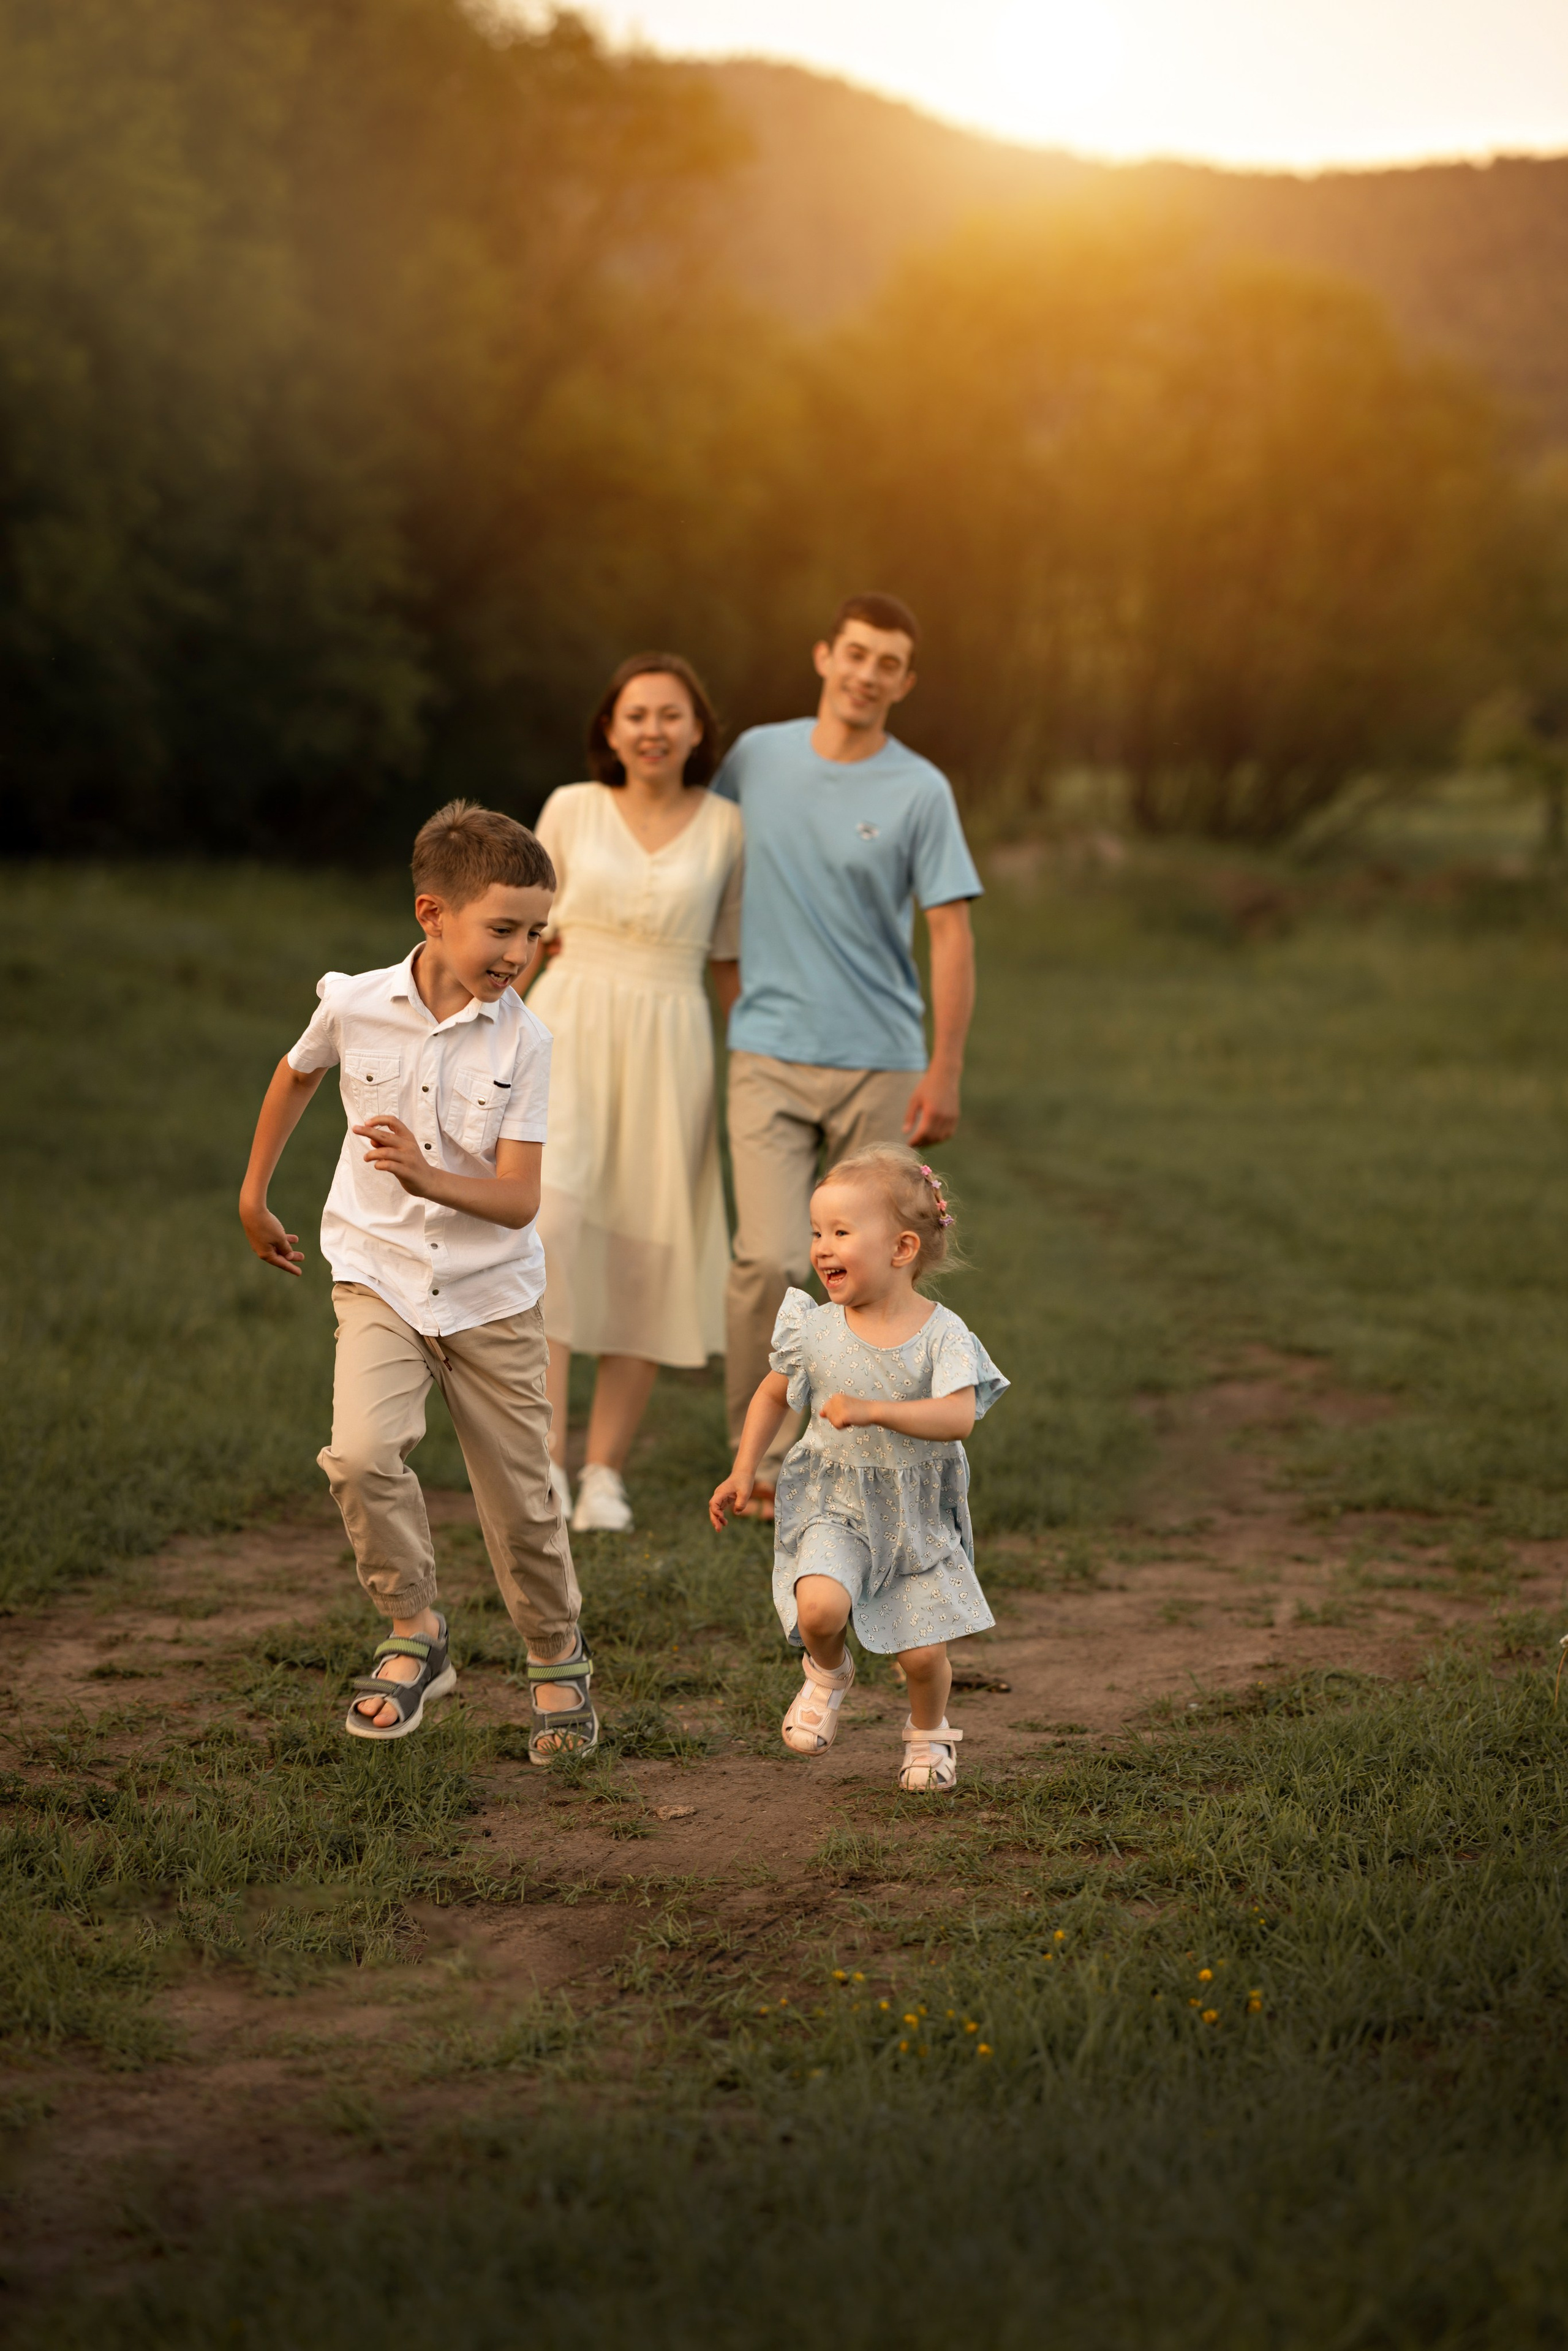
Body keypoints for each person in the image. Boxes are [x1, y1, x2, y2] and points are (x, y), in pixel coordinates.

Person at [237, 800, 597, 1760]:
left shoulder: (527, 1042)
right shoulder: (355, 1001)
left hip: (492, 1298)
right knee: (359, 1454)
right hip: (379, 1277)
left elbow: (518, 1200)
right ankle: (415, 1632)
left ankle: (557, 1660)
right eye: (503, 928)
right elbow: (298, 1070)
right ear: (432, 914)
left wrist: (429, 1174)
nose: (520, 951)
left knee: (521, 1500)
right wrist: (254, 1191)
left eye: (534, 932)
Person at [712, 592, 981, 1519]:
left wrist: (942, 1067)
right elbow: (705, 867)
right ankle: (751, 1458)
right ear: (824, 656)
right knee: (766, 1258)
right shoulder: (758, 756)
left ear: (905, 683)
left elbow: (948, 932)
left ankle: (845, 1453)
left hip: (880, 1055)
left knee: (871, 1268)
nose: (867, 674)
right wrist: (726, 994)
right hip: (769, 1049)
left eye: (889, 664)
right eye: (855, 654)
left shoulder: (920, 790)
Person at [710, 1144, 1006, 1791]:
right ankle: (827, 1671)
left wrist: (875, 1409)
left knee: (923, 1654)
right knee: (817, 1608)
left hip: (915, 1514)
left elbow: (958, 1418)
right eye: (817, 1232)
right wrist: (743, 1469)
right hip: (833, 1500)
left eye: (841, 1232)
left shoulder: (943, 1334)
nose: (822, 1247)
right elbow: (770, 1392)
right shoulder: (815, 1329)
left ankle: (928, 1734)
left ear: (901, 1249)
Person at [529, 655, 744, 1533]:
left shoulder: (729, 825)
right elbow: (524, 930)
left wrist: (756, 1068)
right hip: (567, 1027)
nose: (653, 729)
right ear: (611, 730)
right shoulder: (570, 808)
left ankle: (604, 1474)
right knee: (544, 1233)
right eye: (636, 715)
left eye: (671, 714)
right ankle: (536, 1466)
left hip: (674, 1038)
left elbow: (728, 959)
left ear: (698, 731)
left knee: (647, 1253)